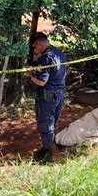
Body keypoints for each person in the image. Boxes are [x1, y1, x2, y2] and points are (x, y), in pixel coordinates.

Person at [29, 32, 67, 163]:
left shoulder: (45, 58)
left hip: (47, 96)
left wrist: (31, 76)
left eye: (35, 47)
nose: (35, 49)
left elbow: (41, 82)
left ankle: (47, 155)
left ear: (40, 43)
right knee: (53, 122)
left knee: (46, 124)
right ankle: (51, 147)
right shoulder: (60, 54)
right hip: (60, 93)